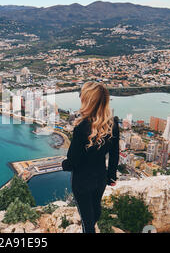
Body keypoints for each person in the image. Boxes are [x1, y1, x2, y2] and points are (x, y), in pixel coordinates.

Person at [62, 82, 120, 233]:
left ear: (88, 101)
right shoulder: (113, 124)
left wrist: (64, 165)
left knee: (87, 222)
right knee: (95, 210)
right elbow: (114, 153)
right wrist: (112, 176)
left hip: (82, 181)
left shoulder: (81, 127)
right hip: (100, 178)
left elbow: (73, 159)